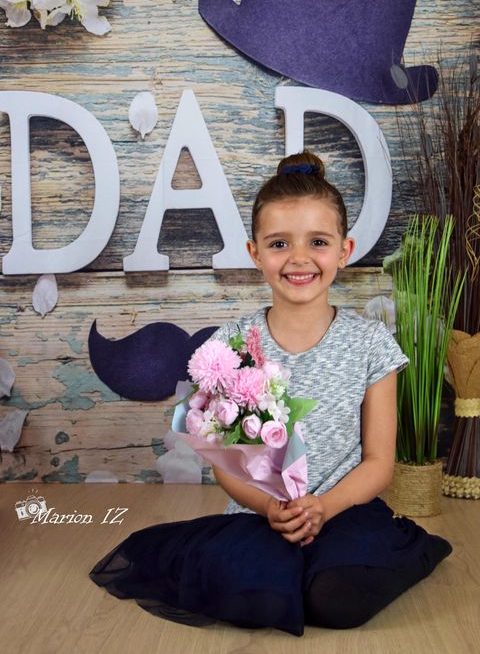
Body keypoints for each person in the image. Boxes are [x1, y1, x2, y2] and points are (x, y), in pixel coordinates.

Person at [89, 149, 453, 636]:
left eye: (317, 242)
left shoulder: (370, 342)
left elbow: (378, 462)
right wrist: (270, 507)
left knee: (338, 601)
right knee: (252, 593)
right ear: (254, 252)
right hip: (262, 516)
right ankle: (284, 565)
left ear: (344, 251)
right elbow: (227, 463)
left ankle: (390, 552)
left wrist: (325, 507)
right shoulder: (232, 345)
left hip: (346, 507)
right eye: (280, 243)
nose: (299, 259)